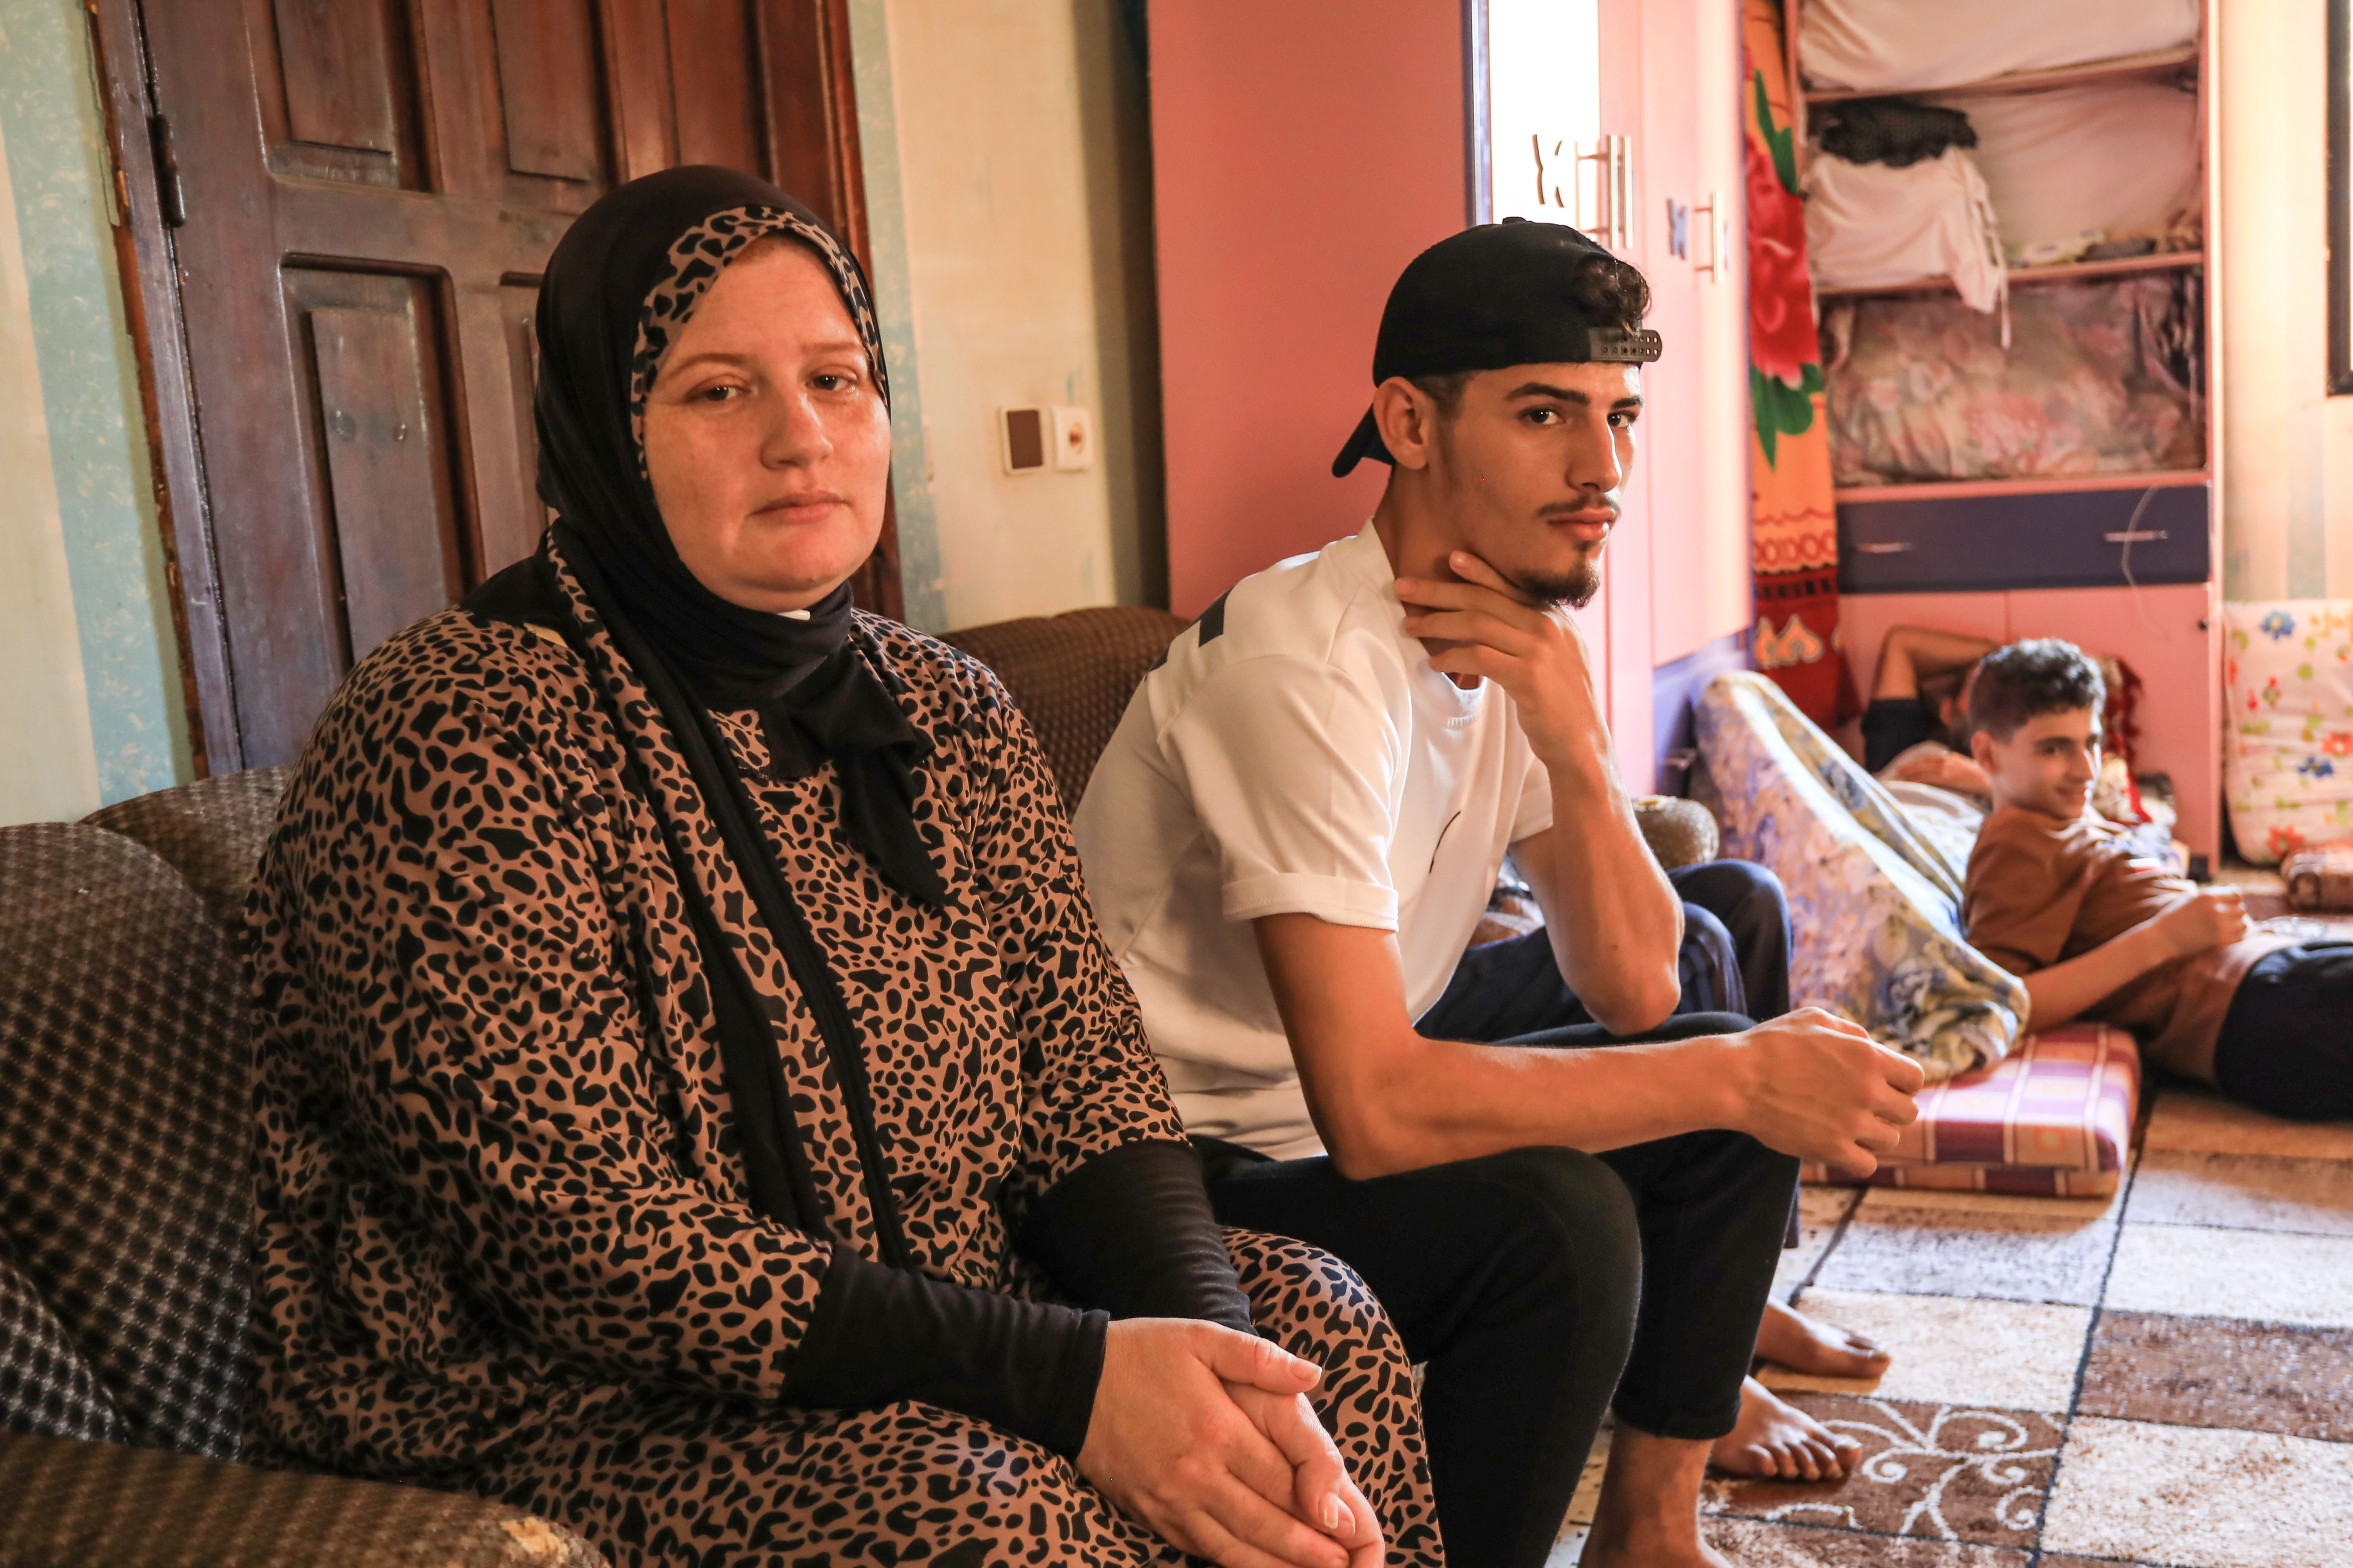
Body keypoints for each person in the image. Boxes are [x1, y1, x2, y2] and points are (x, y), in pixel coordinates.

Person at [242, 167, 1442, 1568]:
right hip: (561, 1402)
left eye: (834, 378)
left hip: (943, 1319)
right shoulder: (460, 726)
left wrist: (1212, 1361)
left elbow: (1086, 1075)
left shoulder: (941, 703)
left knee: (1318, 1338)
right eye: (715, 391)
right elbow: (568, 1230)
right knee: (979, 1505)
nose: (797, 437)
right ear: (602, 433)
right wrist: (1068, 1381)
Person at [1072, 218, 1924, 1568]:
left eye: (1618, 416)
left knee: (1718, 938)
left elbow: (1636, 989)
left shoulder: (1510, 635)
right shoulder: (1303, 666)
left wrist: (1573, 745)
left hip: (1363, 1043)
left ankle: (1650, 1524)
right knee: (1569, 1211)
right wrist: (1739, 1080)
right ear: (1406, 423)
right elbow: (1370, 1108)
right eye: (1545, 414)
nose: (1603, 470)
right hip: (1194, 1145)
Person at [1963, 638, 2353, 1118]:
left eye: (2090, 743)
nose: (2085, 770)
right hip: (2253, 1007)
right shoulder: (2013, 843)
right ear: (1986, 755)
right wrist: (2163, 939)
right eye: (2053, 749)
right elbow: (2004, 1003)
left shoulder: (2062, 825)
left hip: (2272, 971)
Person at [1864, 623, 1998, 796]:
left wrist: (1985, 780)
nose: (1995, 699)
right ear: (1947, 711)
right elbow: (1901, 643)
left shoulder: (2016, 779)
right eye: (1977, 685)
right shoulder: (1902, 751)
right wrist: (1999, 652)